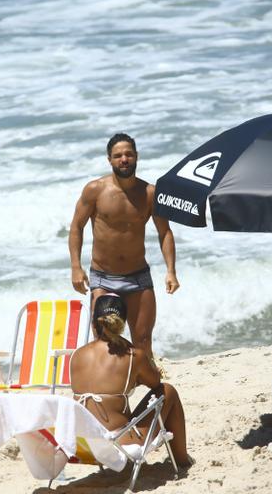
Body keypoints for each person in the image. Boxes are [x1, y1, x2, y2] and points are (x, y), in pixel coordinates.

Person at [69, 132, 179, 358]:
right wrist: (75, 267)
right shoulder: (95, 190)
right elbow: (76, 227)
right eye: (118, 155)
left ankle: (145, 388)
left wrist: (171, 271)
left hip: (138, 277)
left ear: (137, 156)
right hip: (103, 277)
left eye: (128, 154)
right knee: (104, 341)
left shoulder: (150, 193)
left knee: (143, 341)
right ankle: (108, 391)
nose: (124, 159)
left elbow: (164, 232)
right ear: (109, 159)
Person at [69, 294, 193, 468]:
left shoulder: (77, 355)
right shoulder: (132, 355)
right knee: (167, 391)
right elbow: (155, 382)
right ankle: (182, 460)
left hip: (81, 441)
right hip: (117, 441)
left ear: (94, 322)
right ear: (123, 323)